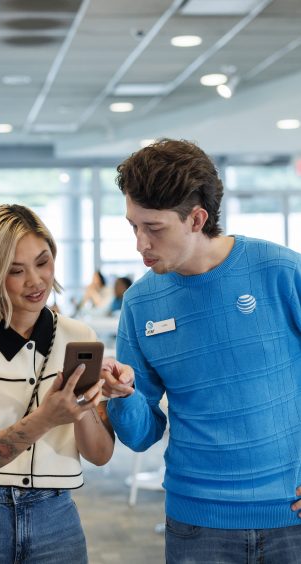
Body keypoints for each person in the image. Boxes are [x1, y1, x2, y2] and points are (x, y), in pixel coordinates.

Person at [103, 139, 301, 563]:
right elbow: (142, 434)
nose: (140, 243)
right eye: (133, 226)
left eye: (153, 228)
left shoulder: (282, 272)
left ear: (196, 218)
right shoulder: (140, 304)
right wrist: (122, 398)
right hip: (197, 524)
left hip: (291, 514)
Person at [0, 204, 131, 564]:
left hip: (55, 517)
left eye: (43, 261)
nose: (36, 281)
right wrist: (47, 417)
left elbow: (99, 455)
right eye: (16, 271)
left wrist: (81, 407)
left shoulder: (78, 336)